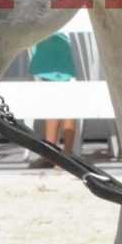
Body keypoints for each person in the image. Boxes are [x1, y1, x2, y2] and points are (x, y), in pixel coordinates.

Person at [26, 33, 78, 169]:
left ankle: (53, 154)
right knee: (62, 103)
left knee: (55, 103)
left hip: (51, 46)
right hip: (59, 45)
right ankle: (63, 153)